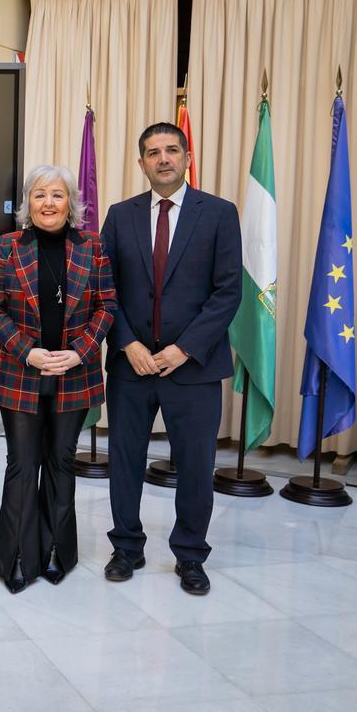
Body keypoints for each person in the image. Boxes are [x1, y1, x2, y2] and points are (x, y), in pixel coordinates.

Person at [100, 122, 242, 595]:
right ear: (141, 163)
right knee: (124, 459)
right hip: (132, 365)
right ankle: (126, 547)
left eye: (171, 150)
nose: (163, 158)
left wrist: (183, 349)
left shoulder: (220, 214)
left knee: (196, 464)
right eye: (152, 152)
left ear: (185, 157)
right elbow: (105, 290)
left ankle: (190, 555)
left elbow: (228, 293)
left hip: (195, 367)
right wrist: (128, 343)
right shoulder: (120, 216)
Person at [0, 165, 117, 594]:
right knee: (23, 465)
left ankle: (59, 549)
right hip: (20, 372)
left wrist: (80, 352)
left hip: (74, 375)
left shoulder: (92, 247)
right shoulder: (7, 246)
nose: (48, 203)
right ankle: (17, 556)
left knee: (61, 462)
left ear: (70, 203)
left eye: (57, 195)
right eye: (39, 195)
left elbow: (107, 306)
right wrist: (29, 352)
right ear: (28, 204)